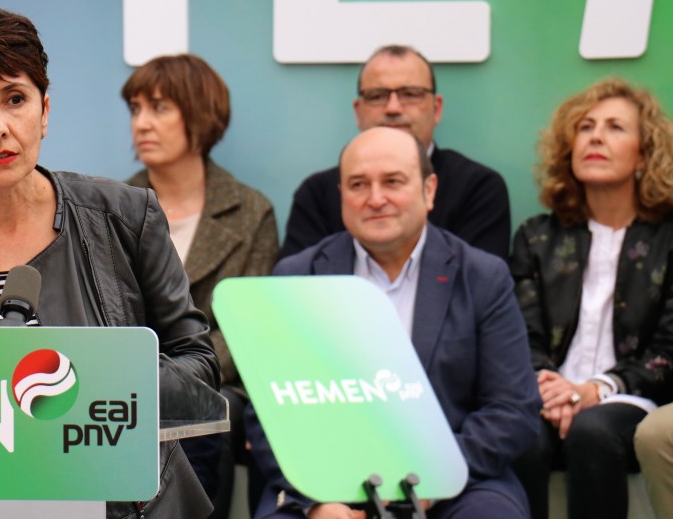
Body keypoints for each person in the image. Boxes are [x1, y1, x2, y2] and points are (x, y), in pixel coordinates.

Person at [0, 0, 221, 518]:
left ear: (44, 112)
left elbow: (199, 369)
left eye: (15, 99)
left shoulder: (125, 217)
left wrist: (88, 386)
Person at [251, 127, 540, 519]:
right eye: (358, 185)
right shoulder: (297, 278)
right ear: (341, 195)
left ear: (429, 190)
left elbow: (512, 409)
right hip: (324, 483)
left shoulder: (482, 277)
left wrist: (430, 479)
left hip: (456, 479)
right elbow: (266, 413)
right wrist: (317, 500)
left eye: (393, 181)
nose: (375, 199)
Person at [121, 54, 278, 516]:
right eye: (136, 109)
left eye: (159, 108)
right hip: (128, 380)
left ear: (201, 116)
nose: (141, 123)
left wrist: (175, 378)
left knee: (207, 411)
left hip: (215, 383)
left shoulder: (250, 211)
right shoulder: (111, 207)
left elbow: (249, 328)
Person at [511, 77, 673, 519]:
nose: (596, 137)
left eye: (615, 127)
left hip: (632, 399)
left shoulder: (668, 238)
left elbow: (668, 350)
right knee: (520, 434)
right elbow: (520, 333)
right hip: (547, 395)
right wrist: (551, 387)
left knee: (592, 430)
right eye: (585, 127)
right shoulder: (536, 237)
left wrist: (595, 390)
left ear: (645, 154)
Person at [280, 45, 510, 261]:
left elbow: (476, 284)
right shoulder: (317, 193)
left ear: (436, 108)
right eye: (377, 96)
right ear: (358, 112)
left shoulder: (478, 188)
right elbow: (299, 285)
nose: (393, 108)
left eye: (410, 94)